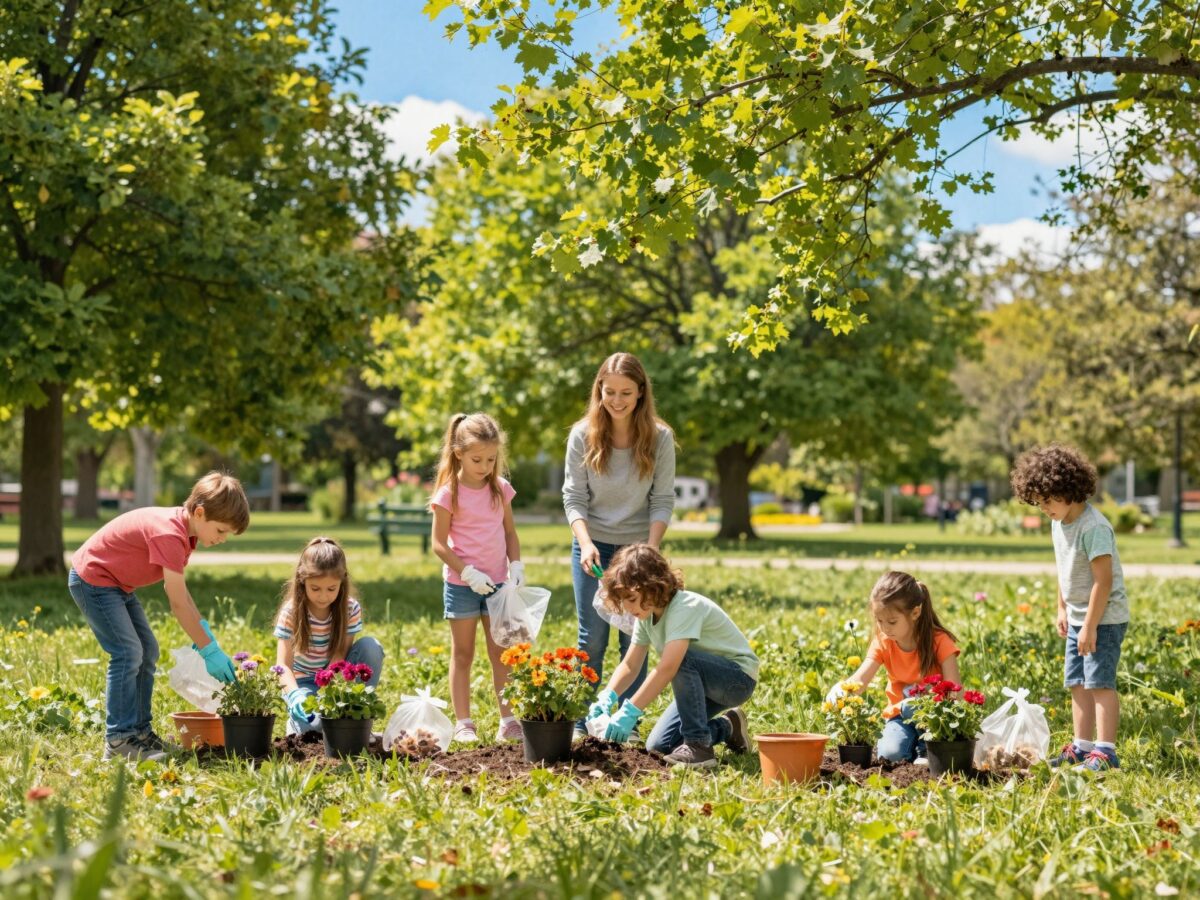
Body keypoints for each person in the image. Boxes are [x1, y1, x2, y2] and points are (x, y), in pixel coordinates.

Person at [69, 471, 250, 761]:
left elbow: (184, 595)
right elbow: (176, 601)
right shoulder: (169, 533)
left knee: (147, 650)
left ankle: (139, 733)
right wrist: (207, 650)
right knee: (128, 652)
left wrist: (206, 636)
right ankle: (118, 741)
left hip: (117, 584)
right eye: (221, 531)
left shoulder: (185, 532)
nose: (223, 539)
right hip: (94, 580)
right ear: (200, 513)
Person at [563, 352, 676, 738]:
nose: (616, 400)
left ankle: (622, 723)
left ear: (641, 392)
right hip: (594, 548)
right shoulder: (583, 434)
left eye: (625, 392)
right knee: (591, 638)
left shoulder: (659, 438)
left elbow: (662, 499)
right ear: (599, 391)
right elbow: (573, 497)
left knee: (635, 639)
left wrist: (649, 551)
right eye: (609, 391)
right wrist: (586, 542)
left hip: (637, 550)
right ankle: (579, 721)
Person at [1011, 443, 1128, 771]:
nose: (1044, 508)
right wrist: (1061, 608)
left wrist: (1090, 625)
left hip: (1103, 618)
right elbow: (1064, 570)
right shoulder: (1059, 522)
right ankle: (1082, 746)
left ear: (1068, 489)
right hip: (1079, 616)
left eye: (1048, 500)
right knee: (1077, 681)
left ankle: (1106, 752)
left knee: (1100, 682)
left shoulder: (1094, 528)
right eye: (1038, 502)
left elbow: (1102, 583)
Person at [586, 545, 756, 768]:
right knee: (658, 746)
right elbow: (630, 664)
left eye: (632, 598)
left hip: (736, 679)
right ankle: (728, 727)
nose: (627, 607)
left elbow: (668, 667)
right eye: (622, 600)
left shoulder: (683, 606)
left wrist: (629, 711)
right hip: (705, 686)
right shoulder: (645, 617)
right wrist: (607, 696)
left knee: (681, 660)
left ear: (653, 586)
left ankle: (698, 747)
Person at [430, 413, 524, 744]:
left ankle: (508, 720)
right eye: (476, 459)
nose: (484, 465)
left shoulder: (500, 489)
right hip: (462, 587)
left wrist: (517, 566)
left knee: (502, 653)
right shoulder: (448, 493)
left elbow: (510, 532)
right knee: (463, 653)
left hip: (498, 583)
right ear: (458, 453)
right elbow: (438, 544)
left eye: (490, 458)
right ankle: (464, 722)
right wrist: (467, 572)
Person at [826, 571, 962, 764]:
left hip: (936, 719)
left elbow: (957, 691)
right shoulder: (884, 642)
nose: (884, 628)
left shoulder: (939, 642)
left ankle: (926, 751)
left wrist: (925, 704)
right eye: (879, 621)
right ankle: (914, 748)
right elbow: (859, 681)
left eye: (891, 622)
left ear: (915, 613)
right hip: (899, 715)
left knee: (913, 707)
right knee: (889, 756)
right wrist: (840, 691)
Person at [275, 536, 384, 735]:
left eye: (331, 589)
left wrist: (332, 692)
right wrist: (294, 695)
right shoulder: (291, 613)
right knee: (314, 726)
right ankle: (297, 723)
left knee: (371, 647)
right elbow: (283, 666)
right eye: (315, 588)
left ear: (342, 582)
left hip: (335, 678)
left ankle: (357, 716)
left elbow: (340, 655)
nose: (323, 596)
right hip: (303, 684)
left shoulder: (349, 609)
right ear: (302, 580)